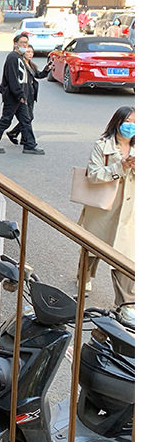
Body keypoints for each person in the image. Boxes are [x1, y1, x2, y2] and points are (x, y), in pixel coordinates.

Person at [77, 106, 135, 305]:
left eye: (135, 123)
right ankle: (83, 277)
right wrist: (120, 166)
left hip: (129, 209)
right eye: (128, 122)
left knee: (126, 254)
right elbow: (93, 175)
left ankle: (126, 302)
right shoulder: (102, 146)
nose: (131, 127)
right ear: (117, 122)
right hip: (104, 207)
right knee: (94, 247)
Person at [0, 33, 44, 154]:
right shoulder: (12, 57)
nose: (25, 45)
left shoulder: (21, 58)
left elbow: (29, 76)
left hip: (20, 96)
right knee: (6, 119)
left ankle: (29, 145)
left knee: (26, 120)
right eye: (22, 42)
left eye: (26, 43)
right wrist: (19, 94)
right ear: (15, 44)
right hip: (13, 96)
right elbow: (12, 78)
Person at [6, 45, 51, 145]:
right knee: (26, 118)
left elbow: (38, 75)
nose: (30, 54)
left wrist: (47, 69)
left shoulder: (31, 65)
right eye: (28, 52)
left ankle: (19, 136)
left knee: (28, 117)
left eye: (32, 52)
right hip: (23, 94)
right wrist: (19, 94)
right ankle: (19, 136)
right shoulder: (21, 64)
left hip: (30, 94)